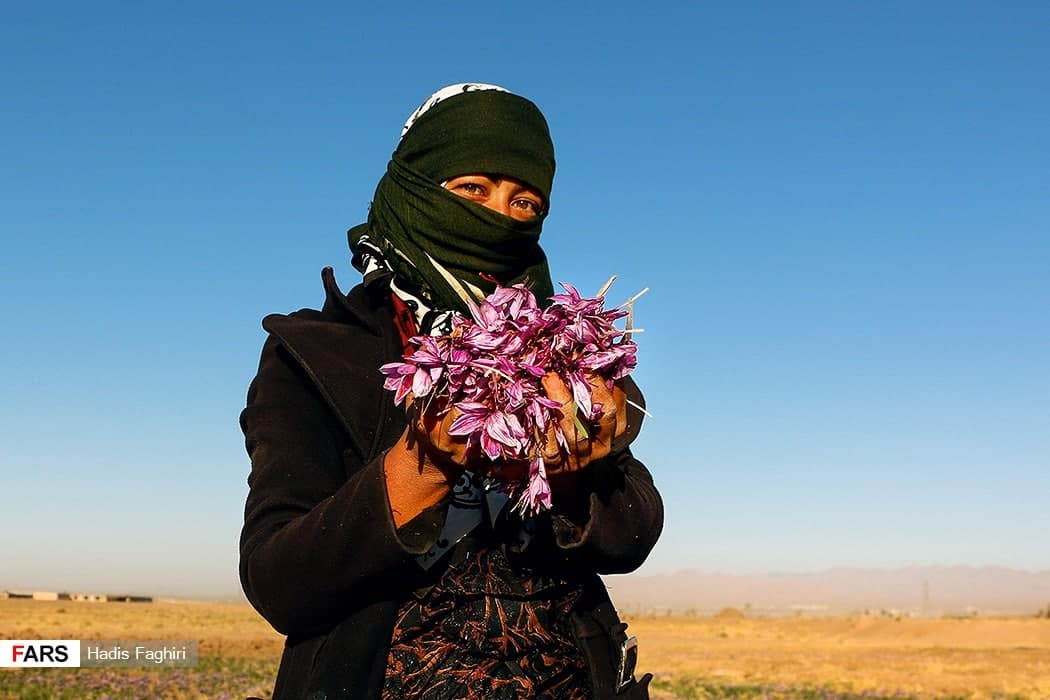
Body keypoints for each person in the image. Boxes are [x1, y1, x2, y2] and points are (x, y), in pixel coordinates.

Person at [239, 83, 663, 700]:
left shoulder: (565, 353)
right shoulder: (315, 351)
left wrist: (573, 471)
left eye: (525, 203)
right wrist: (426, 465)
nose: (498, 215)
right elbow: (278, 581)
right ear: (415, 186)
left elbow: (632, 536)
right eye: (471, 189)